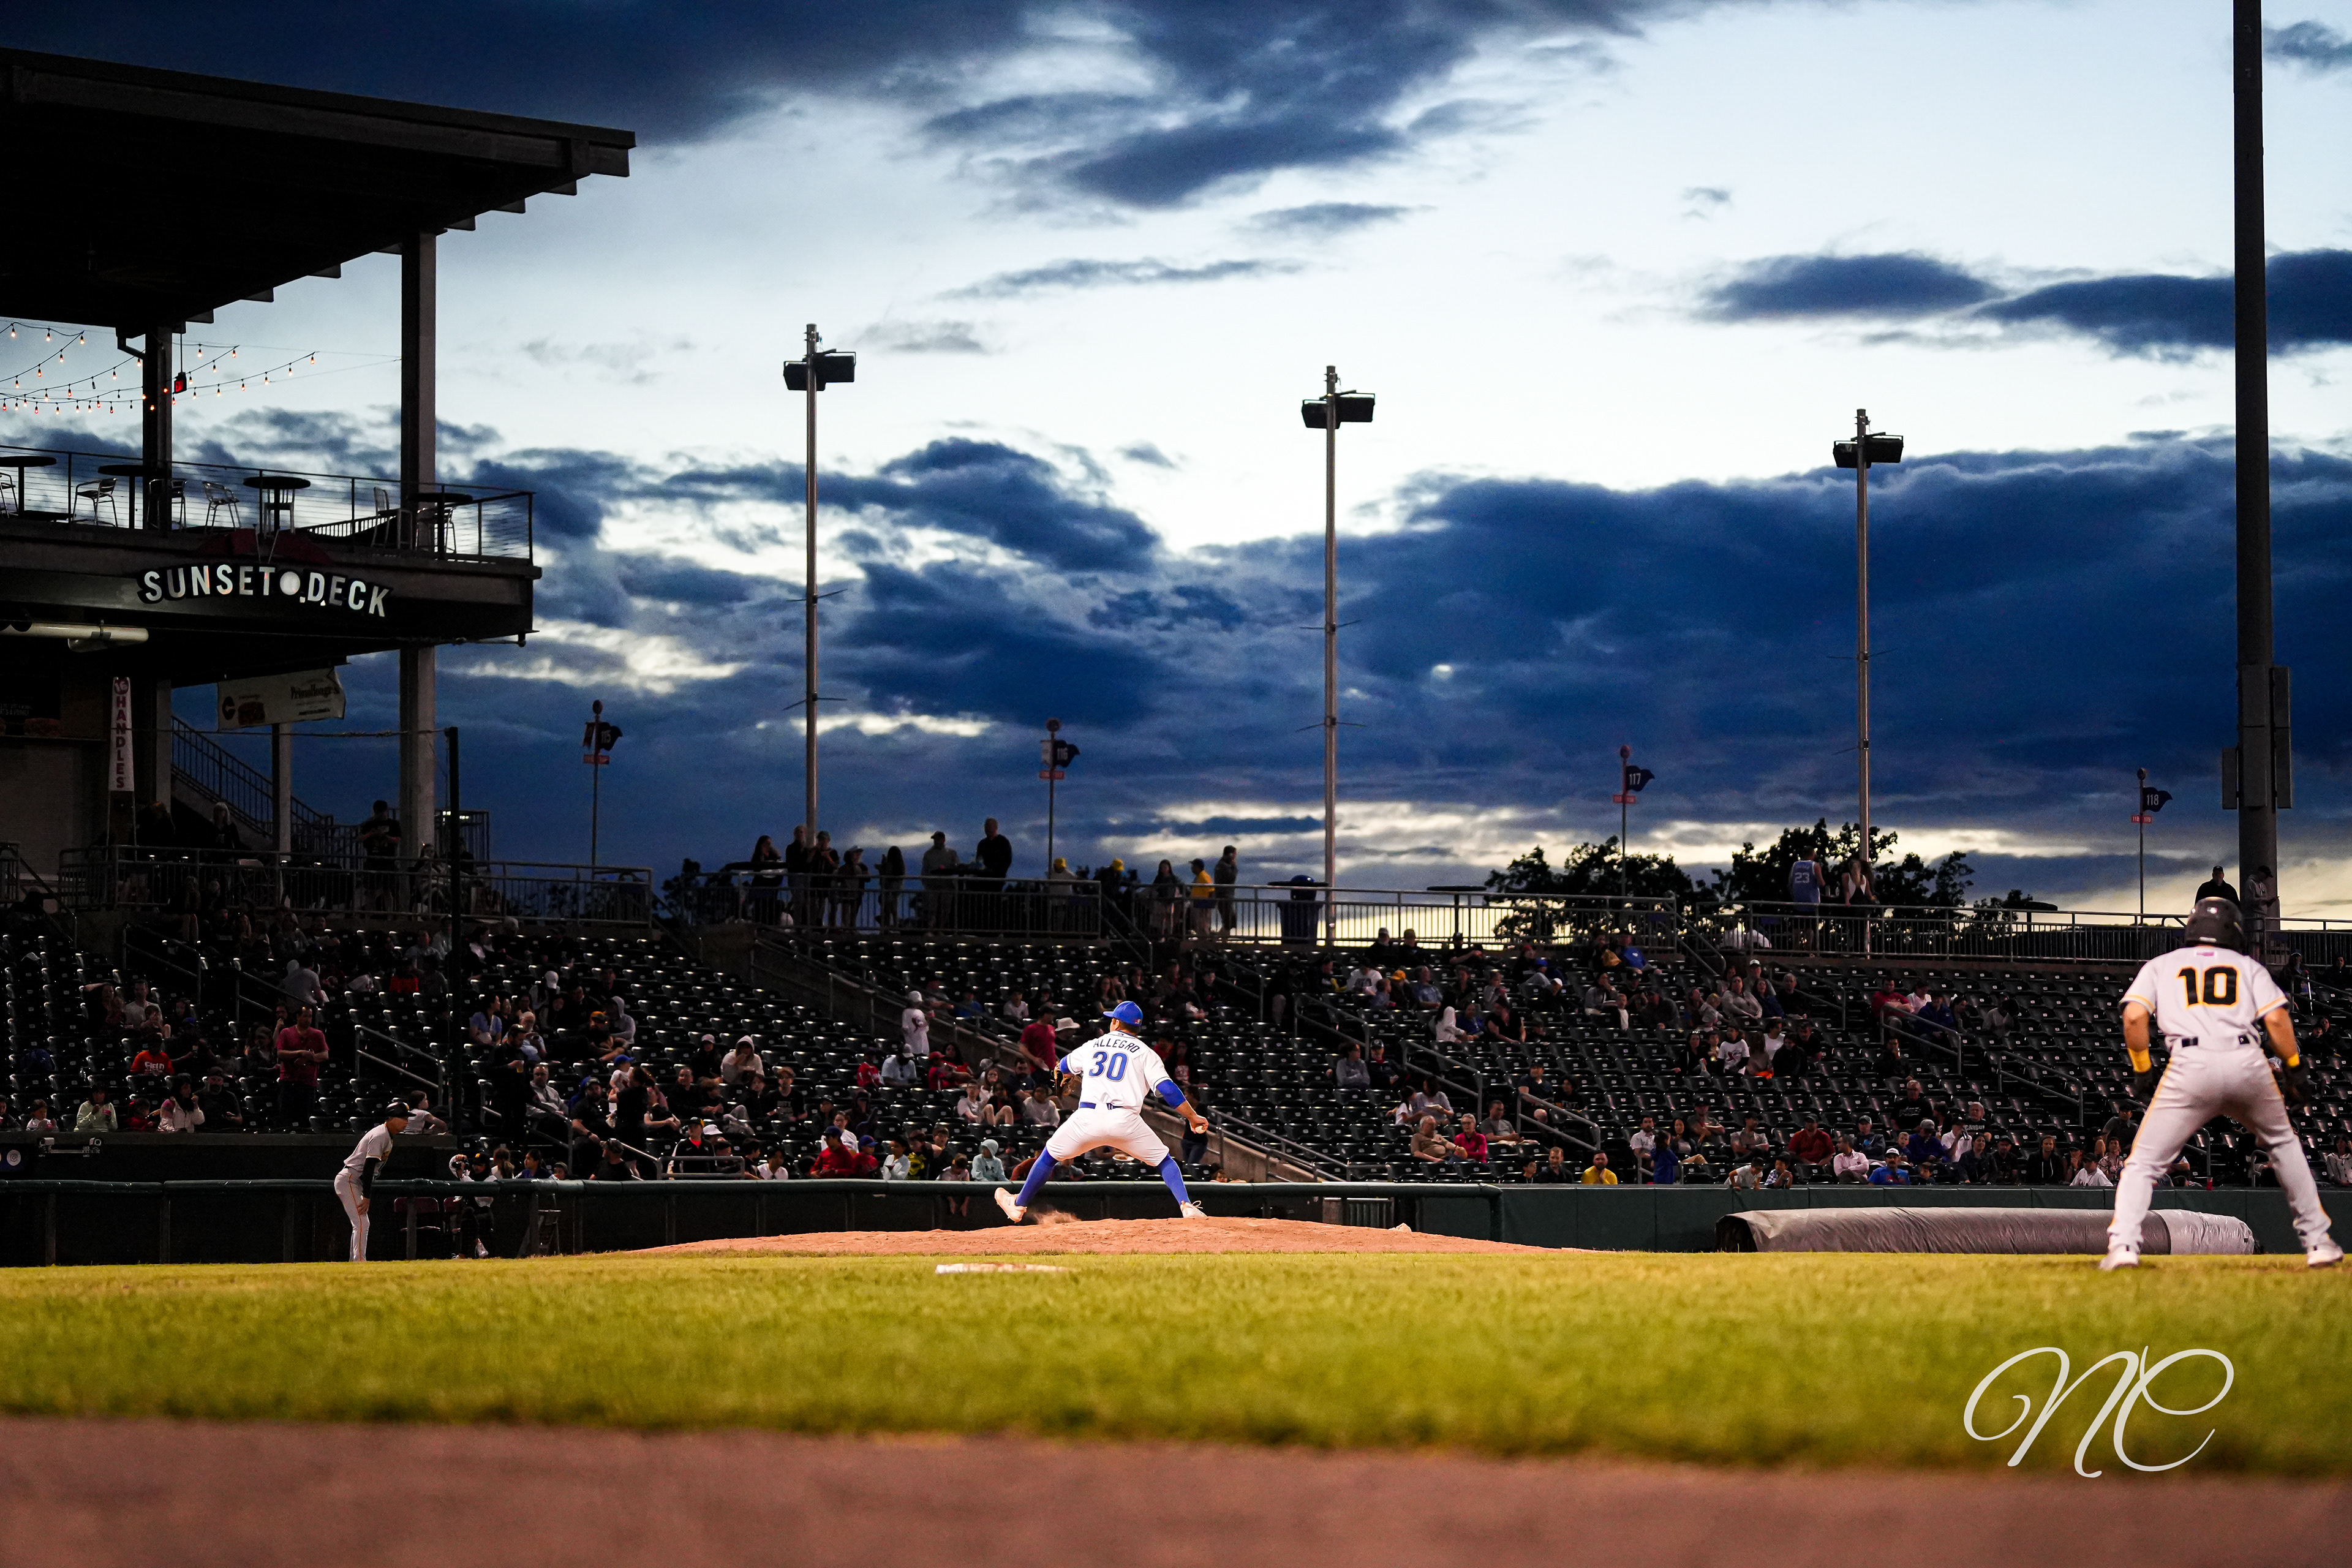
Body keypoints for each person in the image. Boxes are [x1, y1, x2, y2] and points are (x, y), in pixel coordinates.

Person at [2105, 897, 2340, 1270]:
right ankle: (2319, 1242)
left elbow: (2134, 1018)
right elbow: (2277, 1021)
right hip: (2245, 1060)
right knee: (2284, 1146)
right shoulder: (2247, 966)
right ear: (2234, 931)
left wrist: (2142, 1068)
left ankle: (2123, 1248)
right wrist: (2295, 1069)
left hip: (2189, 1063)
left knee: (2143, 1163)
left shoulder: (2162, 965)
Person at [997, 1000, 1210, 1223]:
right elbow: (1168, 1089)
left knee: (1048, 1157)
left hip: (1087, 1118)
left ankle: (1018, 1205)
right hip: (1126, 1120)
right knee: (1165, 1161)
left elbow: (1063, 1067)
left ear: (1116, 1022)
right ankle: (1187, 1206)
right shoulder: (1146, 1053)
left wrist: (1069, 1074)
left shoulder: (1094, 1044)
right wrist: (1192, 1116)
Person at [336, 1104, 410, 1262]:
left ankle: (355, 1261)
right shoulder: (380, 1135)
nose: (407, 1122)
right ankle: (359, 1261)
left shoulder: (387, 1135)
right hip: (350, 1178)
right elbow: (369, 1166)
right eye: (403, 1118)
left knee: (361, 1223)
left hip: (355, 1179)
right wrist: (367, 1196)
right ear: (391, 1118)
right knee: (362, 1222)